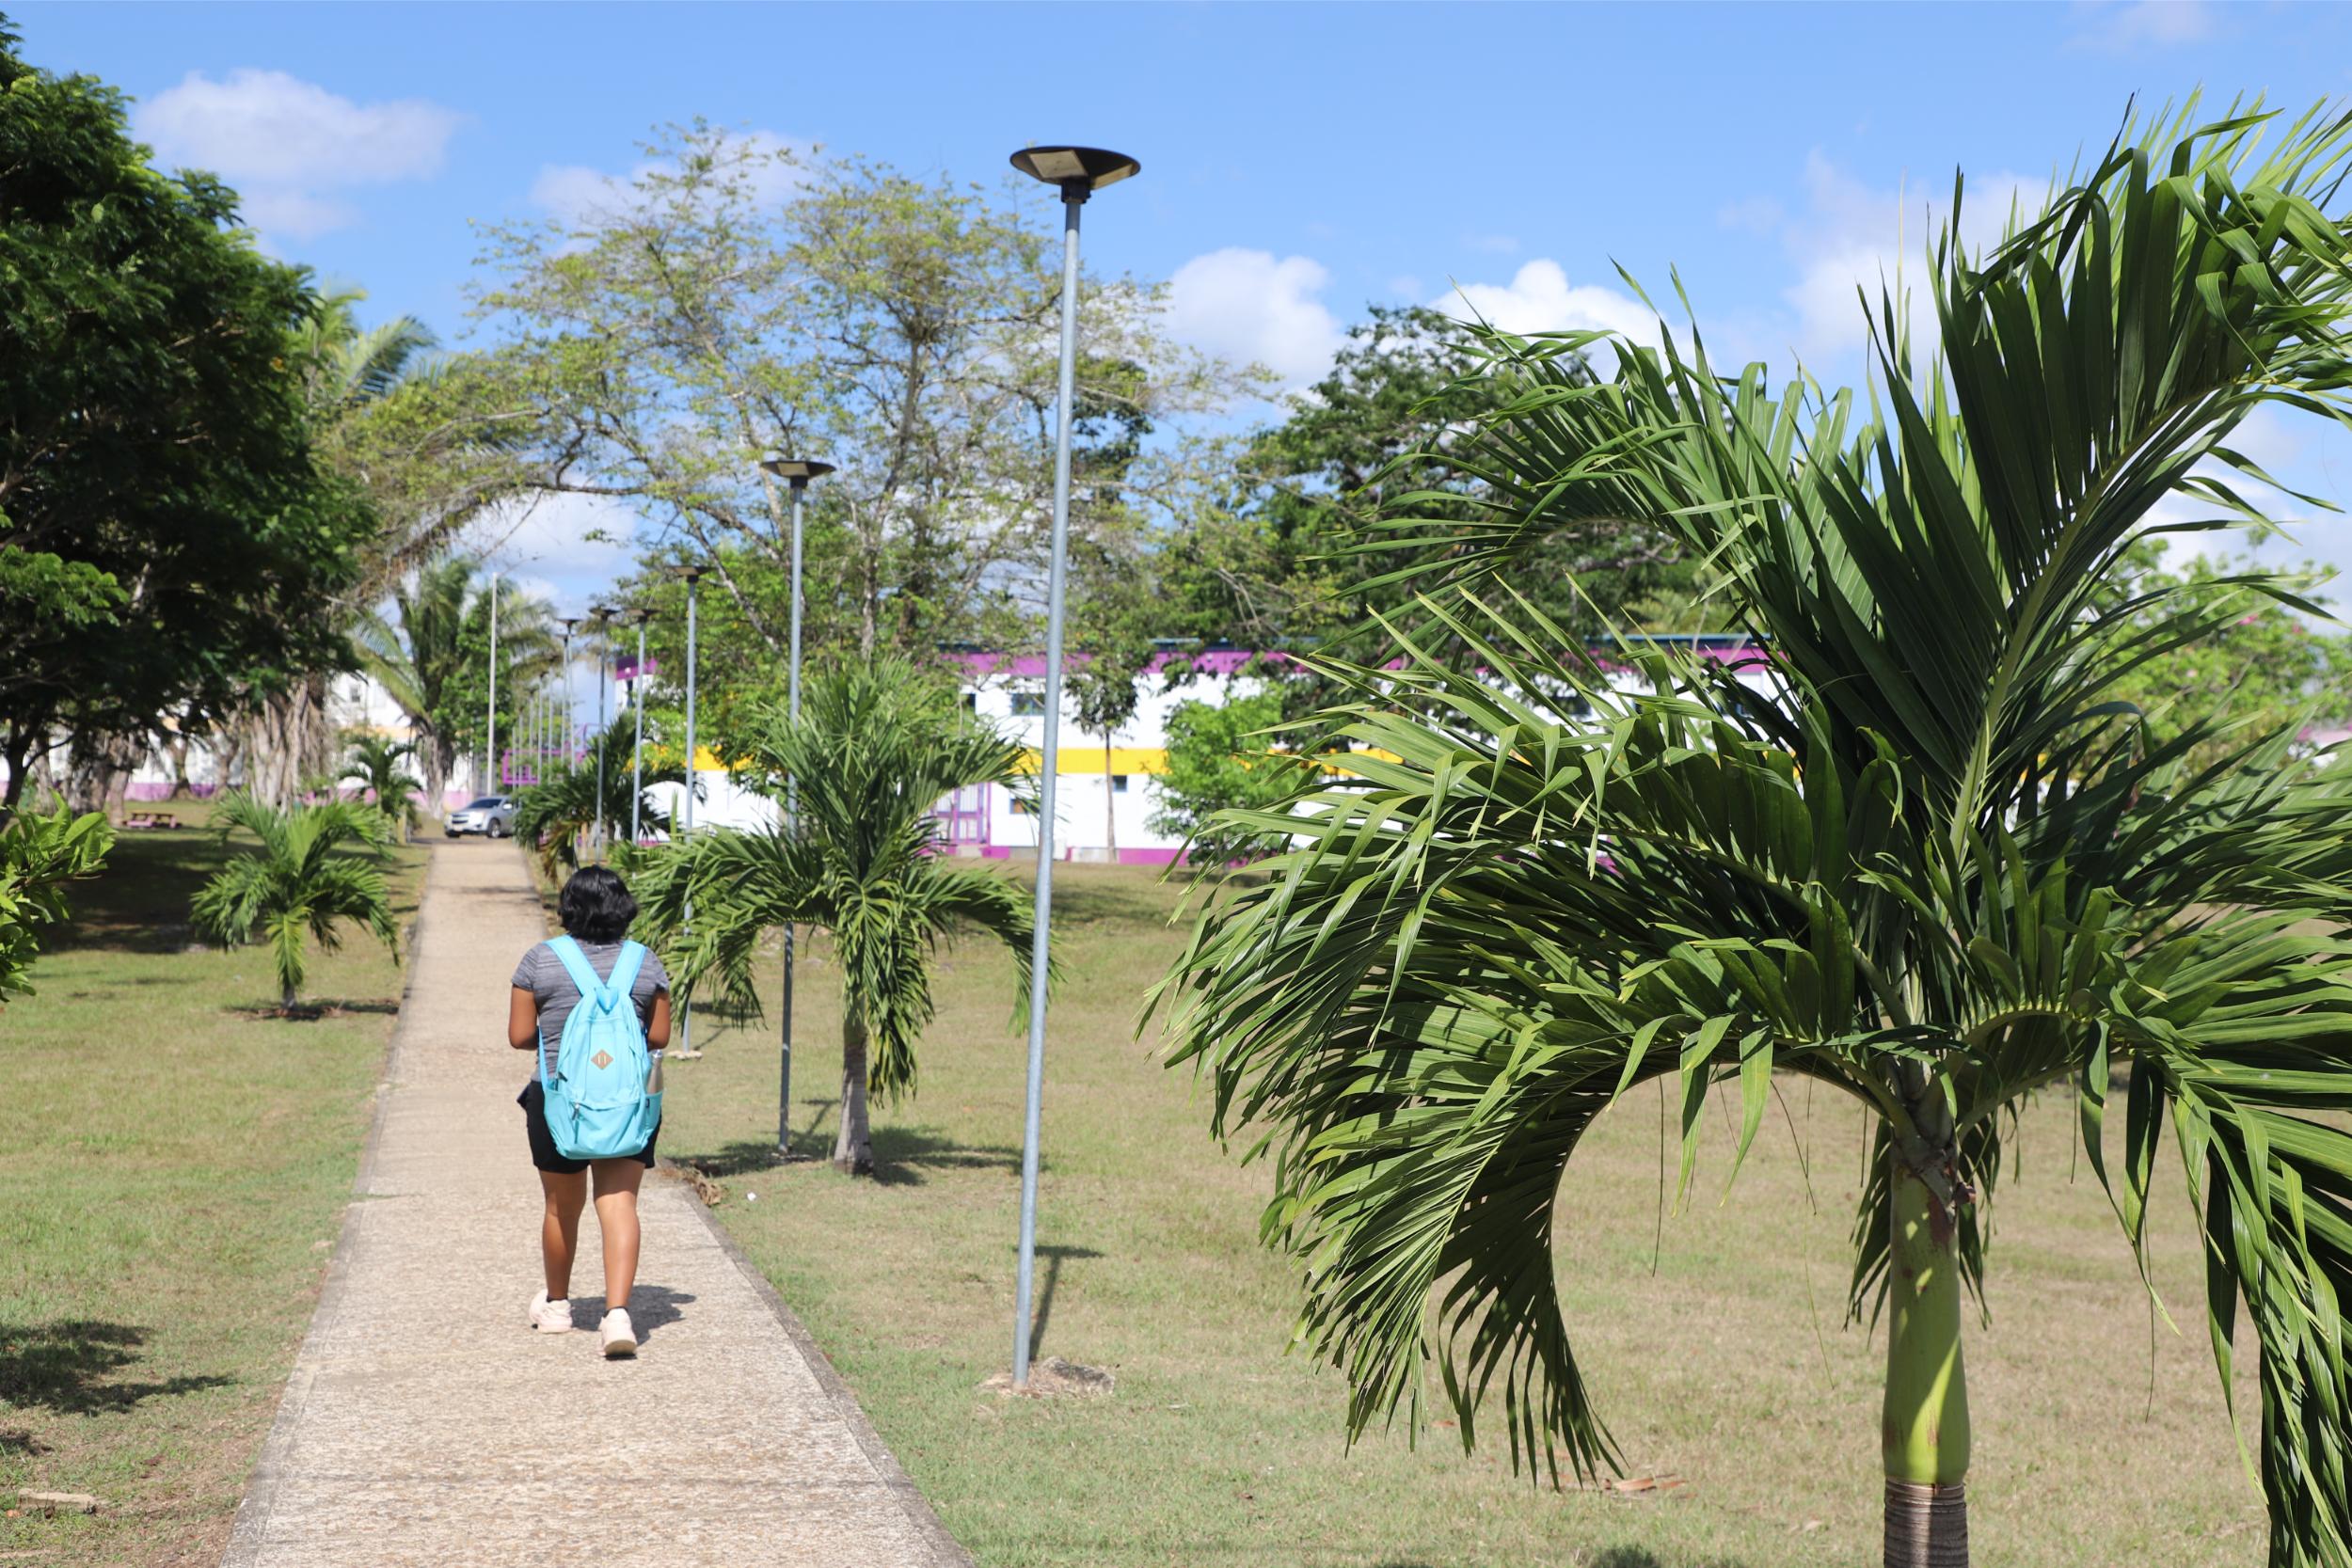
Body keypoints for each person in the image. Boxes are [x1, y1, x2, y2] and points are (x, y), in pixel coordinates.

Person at [507, 865, 671, 1357]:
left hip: (558, 1103)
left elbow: (519, 1036)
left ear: (569, 907)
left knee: (561, 1206)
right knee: (619, 1204)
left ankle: (558, 1307)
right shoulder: (644, 962)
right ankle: (617, 1315)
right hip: (627, 1105)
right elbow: (660, 1037)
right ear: (624, 908)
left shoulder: (541, 960)